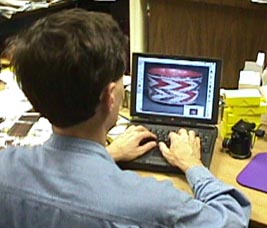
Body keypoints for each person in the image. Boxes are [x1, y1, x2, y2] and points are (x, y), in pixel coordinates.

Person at [0, 8, 251, 227]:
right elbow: (232, 218)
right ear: (110, 96)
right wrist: (193, 165)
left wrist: (108, 156)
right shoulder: (154, 204)